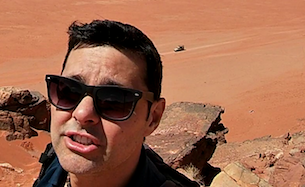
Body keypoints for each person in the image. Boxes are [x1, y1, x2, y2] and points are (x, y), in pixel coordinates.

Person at [34, 19, 198, 187]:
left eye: (113, 101)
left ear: (153, 117)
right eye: (69, 91)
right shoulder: (54, 164)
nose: (82, 113)